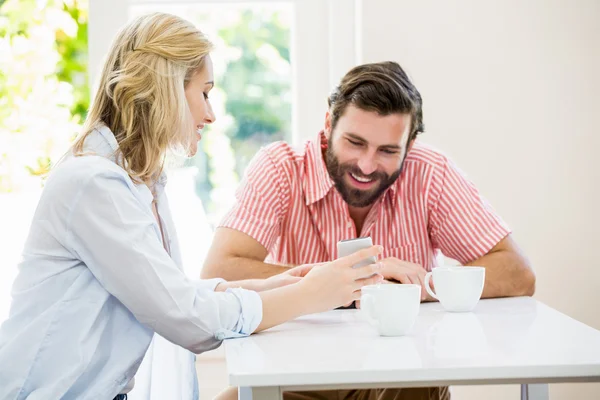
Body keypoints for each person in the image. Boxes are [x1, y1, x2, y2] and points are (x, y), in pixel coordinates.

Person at [0, 13, 385, 400]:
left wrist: (271, 285)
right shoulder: (94, 184)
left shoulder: (140, 183)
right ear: (165, 88)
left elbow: (171, 293)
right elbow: (184, 318)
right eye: (204, 92)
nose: (211, 113)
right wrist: (309, 296)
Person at [203, 61, 536, 400]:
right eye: (354, 142)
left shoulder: (431, 173)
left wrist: (424, 285)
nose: (366, 165)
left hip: (405, 379)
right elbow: (218, 273)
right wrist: (355, 279)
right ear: (329, 123)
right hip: (296, 372)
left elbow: (517, 272)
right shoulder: (281, 168)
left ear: (410, 143)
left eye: (388, 151)